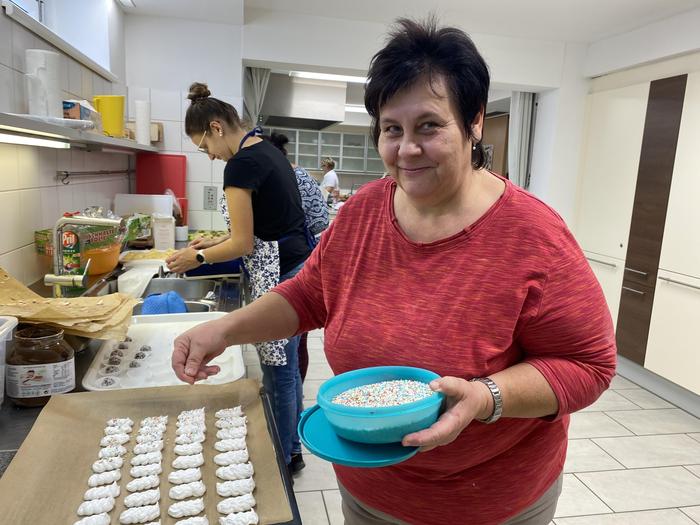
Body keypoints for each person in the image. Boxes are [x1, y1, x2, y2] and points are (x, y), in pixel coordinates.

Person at [172, 18, 616, 525]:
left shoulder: (533, 235)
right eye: (391, 129)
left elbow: (589, 366)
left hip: (487, 502)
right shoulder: (363, 212)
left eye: (429, 125)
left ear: (473, 122)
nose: (406, 149)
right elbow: (308, 296)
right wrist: (224, 330)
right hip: (370, 493)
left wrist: (487, 396)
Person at [166, 82, 309, 476]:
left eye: (204, 147)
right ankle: (293, 447)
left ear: (215, 127)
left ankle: (282, 459)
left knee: (278, 371)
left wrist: (195, 256)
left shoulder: (240, 164)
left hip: (278, 274)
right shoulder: (266, 150)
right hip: (295, 268)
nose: (209, 156)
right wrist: (213, 240)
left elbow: (245, 242)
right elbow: (265, 224)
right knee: (288, 366)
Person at [263, 131, 330, 382]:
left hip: (289, 262)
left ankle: (292, 389)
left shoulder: (276, 176)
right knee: (297, 340)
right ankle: (295, 388)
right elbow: (321, 219)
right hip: (301, 255)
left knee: (290, 340)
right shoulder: (301, 175)